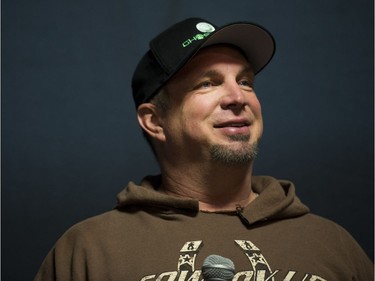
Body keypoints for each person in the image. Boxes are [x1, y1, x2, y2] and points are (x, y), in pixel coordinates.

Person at [34, 17, 373, 281]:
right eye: (207, 83)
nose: (238, 97)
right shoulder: (89, 250)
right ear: (154, 121)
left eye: (245, 81)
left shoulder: (333, 245)